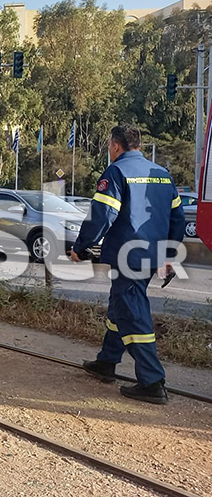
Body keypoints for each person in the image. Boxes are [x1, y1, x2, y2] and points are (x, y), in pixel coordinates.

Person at [70, 125, 185, 405]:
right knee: (120, 307)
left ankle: (152, 381)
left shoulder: (117, 172)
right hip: (153, 255)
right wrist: (170, 255)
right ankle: (107, 362)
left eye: (110, 145)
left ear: (115, 146)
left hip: (128, 256)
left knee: (133, 315)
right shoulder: (162, 174)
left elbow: (103, 215)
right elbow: (178, 219)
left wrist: (80, 247)